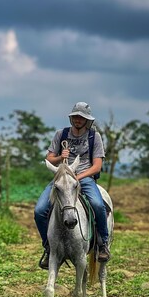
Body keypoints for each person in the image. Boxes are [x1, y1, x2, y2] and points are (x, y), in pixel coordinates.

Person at [34, 101, 111, 269]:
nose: (77, 119)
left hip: (84, 177)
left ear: (87, 120)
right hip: (62, 178)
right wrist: (61, 156)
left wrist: (77, 177)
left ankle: (102, 244)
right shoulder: (60, 134)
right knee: (39, 211)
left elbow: (97, 166)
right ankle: (48, 248)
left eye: (81, 117)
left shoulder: (94, 137)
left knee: (98, 205)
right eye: (75, 116)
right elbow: (49, 159)